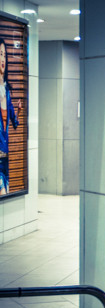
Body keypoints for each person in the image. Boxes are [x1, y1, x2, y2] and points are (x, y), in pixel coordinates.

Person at [0, 38, 22, 194]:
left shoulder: (7, 92)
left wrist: (18, 111)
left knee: (5, 192)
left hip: (5, 154)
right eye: (0, 54)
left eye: (5, 55)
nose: (3, 59)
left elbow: (14, 123)